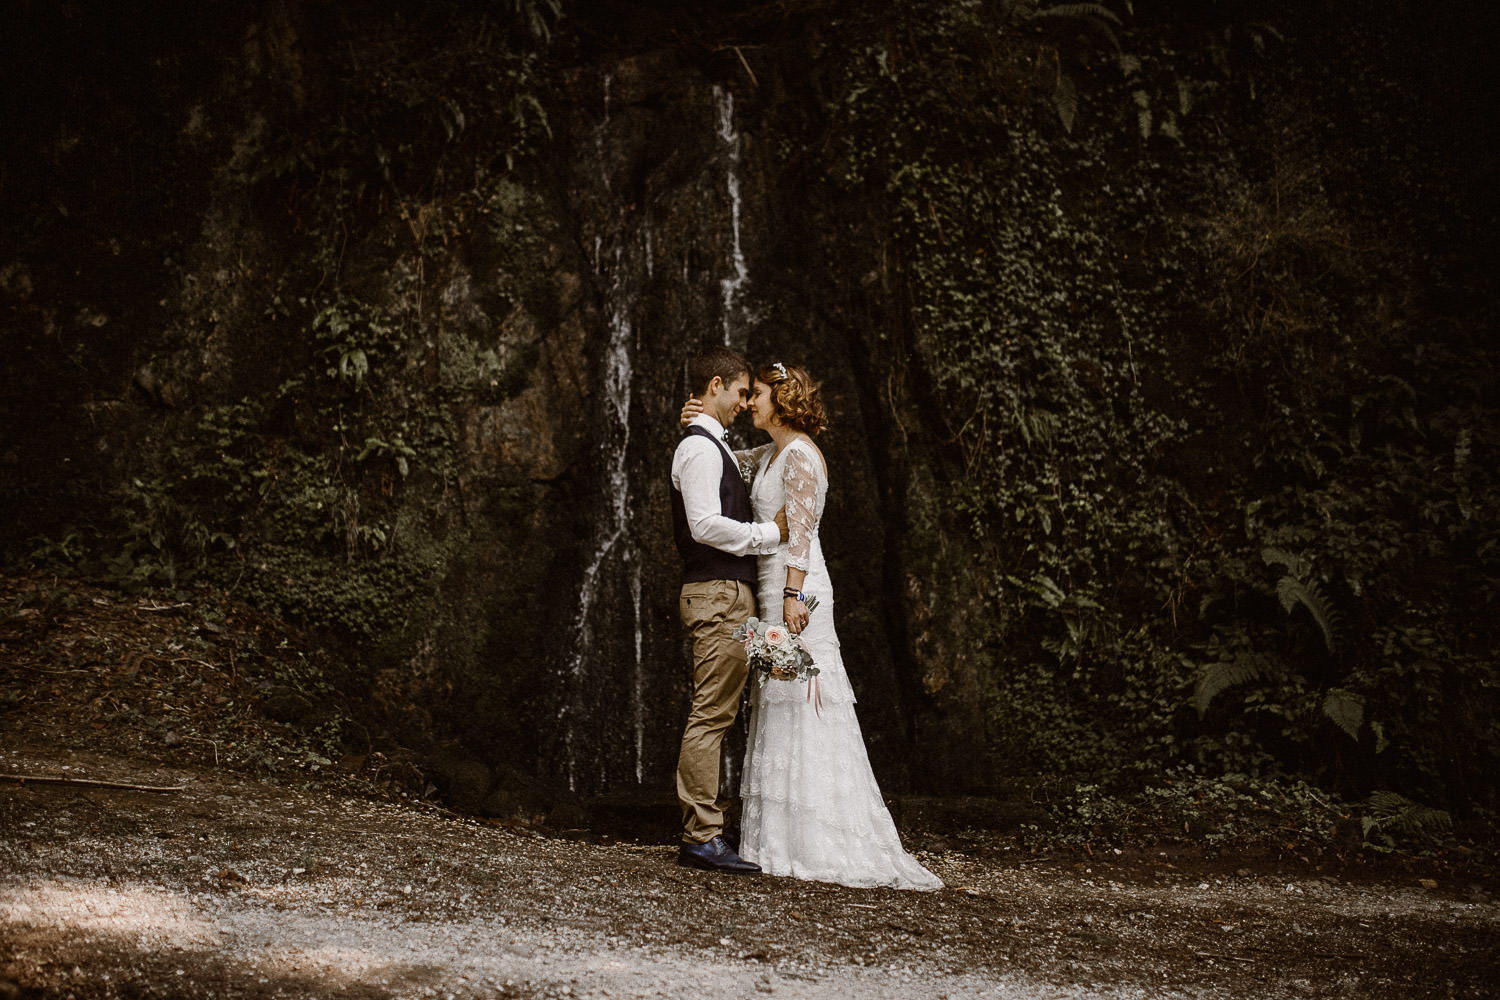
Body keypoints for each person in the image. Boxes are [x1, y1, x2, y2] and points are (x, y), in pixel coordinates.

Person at [682, 363, 942, 891]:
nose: (749, 402)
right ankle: (780, 837)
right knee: (781, 702)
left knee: (806, 702)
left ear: (781, 399)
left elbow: (799, 532)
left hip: (793, 586)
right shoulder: (772, 452)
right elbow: (727, 461)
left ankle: (822, 836)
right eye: (745, 394)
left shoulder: (799, 454)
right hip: (770, 584)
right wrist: (697, 417)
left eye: (756, 395)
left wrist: (794, 595)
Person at [670, 346, 787, 874]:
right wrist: (770, 534)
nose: (745, 403)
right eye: (742, 392)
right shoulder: (698, 449)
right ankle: (701, 836)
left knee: (716, 714)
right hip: (716, 592)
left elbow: (752, 459)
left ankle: (707, 828)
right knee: (711, 715)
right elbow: (703, 525)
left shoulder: (711, 444)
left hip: (724, 592)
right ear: (716, 385)